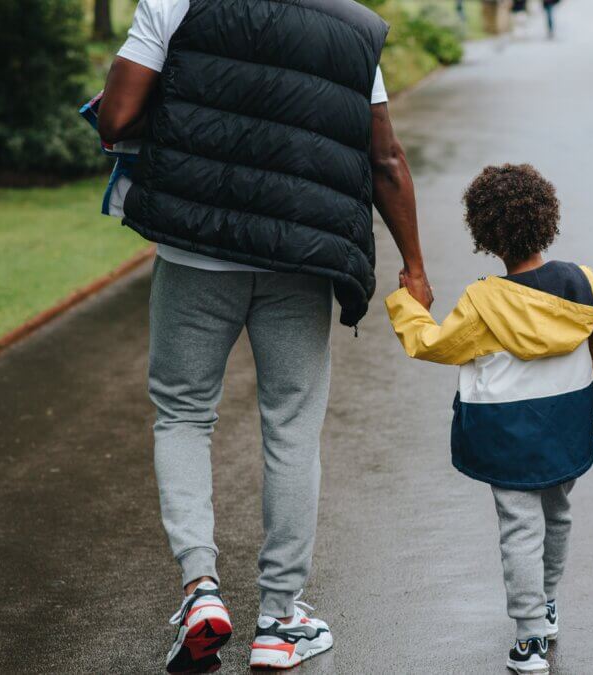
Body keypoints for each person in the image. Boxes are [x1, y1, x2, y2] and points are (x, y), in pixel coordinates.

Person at [97, 0, 433, 671]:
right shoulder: (351, 26)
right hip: (300, 257)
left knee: (184, 415)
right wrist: (414, 264)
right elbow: (386, 156)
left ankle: (200, 591)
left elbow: (117, 118)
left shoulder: (174, 3)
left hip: (197, 252)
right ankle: (280, 621)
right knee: (291, 425)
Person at [384, 164, 593, 674]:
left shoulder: (485, 301)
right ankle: (547, 605)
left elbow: (435, 345)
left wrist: (407, 305)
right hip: (567, 421)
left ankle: (529, 637)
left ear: (486, 236)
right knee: (557, 514)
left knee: (518, 528)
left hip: (505, 432)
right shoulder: (582, 282)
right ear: (547, 220)